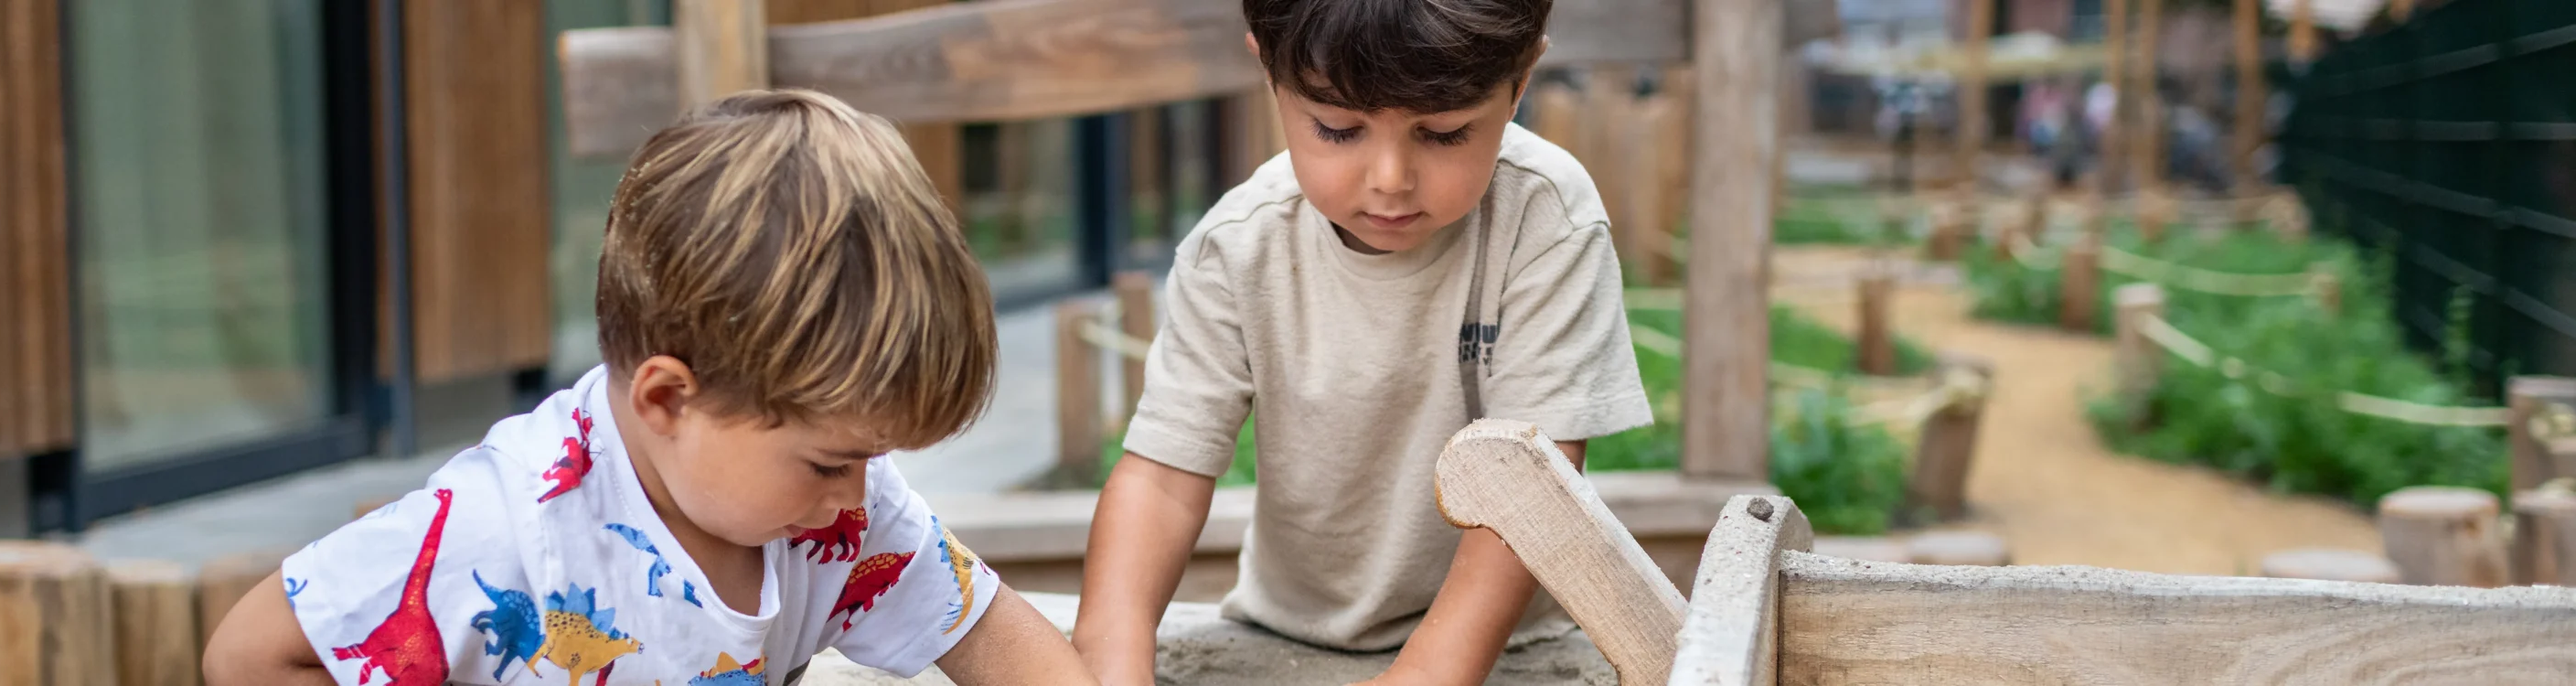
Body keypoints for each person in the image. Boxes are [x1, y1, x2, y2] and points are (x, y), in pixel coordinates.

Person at [203, 90, 1096, 686]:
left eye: (872, 458)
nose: (858, 493)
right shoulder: (500, 528)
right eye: (831, 460)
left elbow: (989, 635)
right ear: (669, 401)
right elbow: (250, 654)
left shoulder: (837, 518)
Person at [1070, 1, 1650, 683]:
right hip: (1285, 633)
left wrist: (1426, 676)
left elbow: (1531, 482)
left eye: (1445, 133)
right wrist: (1111, 657)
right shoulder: (1237, 247)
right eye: (1339, 129)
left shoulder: (1545, 219)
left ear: (1520, 81)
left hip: (1512, 648)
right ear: (1271, 74)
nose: (1390, 179)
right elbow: (1162, 479)